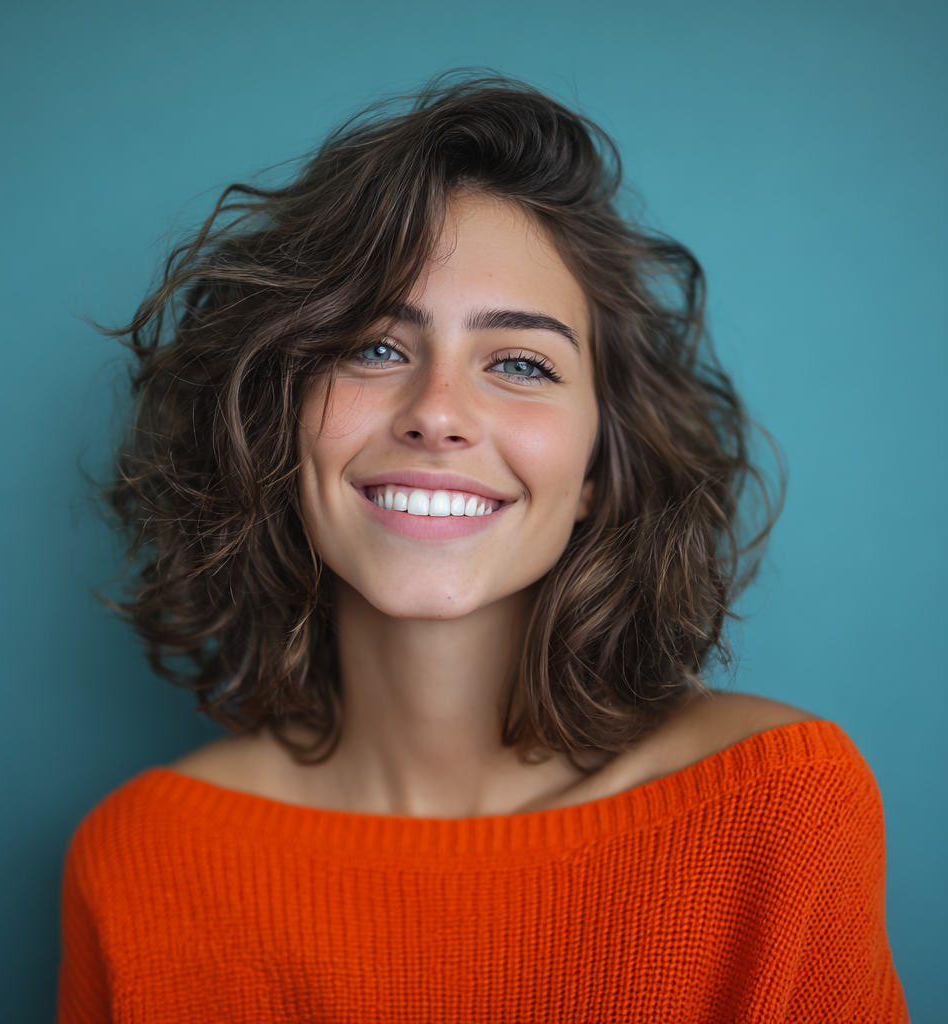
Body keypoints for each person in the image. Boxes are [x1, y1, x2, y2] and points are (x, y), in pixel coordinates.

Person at [57, 75, 907, 1023]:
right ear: (275, 423)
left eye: (520, 363)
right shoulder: (140, 860)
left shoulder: (780, 808)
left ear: (596, 464)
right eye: (374, 347)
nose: (438, 414)